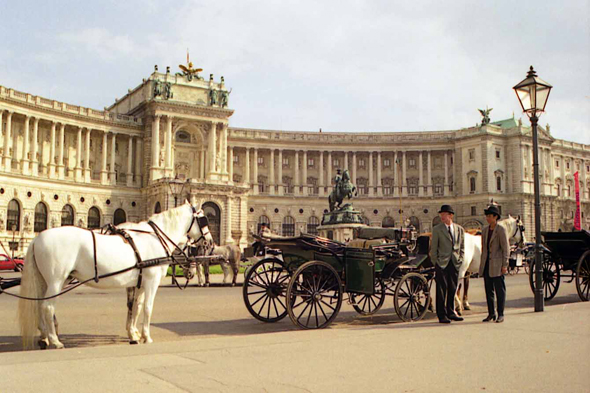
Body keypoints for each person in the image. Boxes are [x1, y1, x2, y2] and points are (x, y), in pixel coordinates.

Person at [430, 204, 465, 324]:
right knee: (441, 290)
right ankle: (442, 315)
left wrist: (460, 259)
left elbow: (462, 247)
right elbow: (433, 249)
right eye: (441, 214)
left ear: (451, 216)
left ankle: (451, 311)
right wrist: (436, 263)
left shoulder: (459, 229)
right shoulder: (437, 229)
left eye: (444, 214)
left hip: (454, 262)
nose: (442, 217)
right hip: (442, 263)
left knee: (453, 288)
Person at [479, 204, 509, 323]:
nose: (488, 218)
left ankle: (500, 313)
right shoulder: (485, 230)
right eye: (487, 216)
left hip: (497, 265)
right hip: (487, 264)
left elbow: (505, 248)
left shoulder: (501, 230)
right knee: (488, 290)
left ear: (495, 217)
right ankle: (491, 313)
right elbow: (484, 248)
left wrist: (505, 264)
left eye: (490, 216)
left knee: (500, 290)